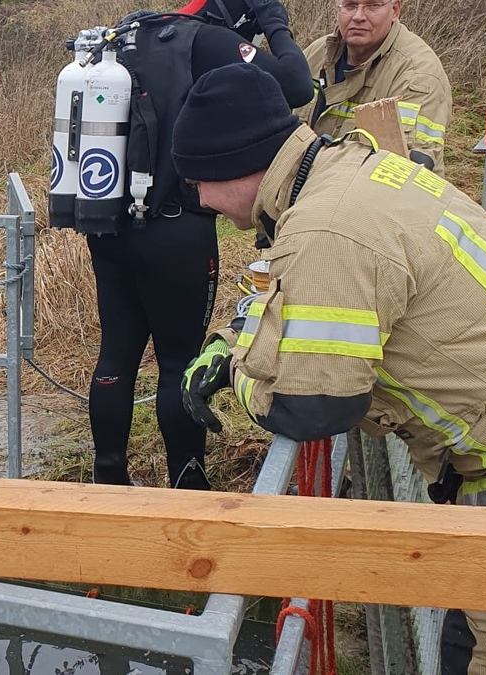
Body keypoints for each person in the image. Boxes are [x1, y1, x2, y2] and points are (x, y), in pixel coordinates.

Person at [174, 62, 486, 675]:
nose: (201, 202)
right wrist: (238, 338)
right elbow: (315, 303)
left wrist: (239, 374)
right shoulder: (345, 171)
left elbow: (314, 405)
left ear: (233, 166)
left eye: (197, 182)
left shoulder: (327, 225)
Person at [61, 0, 314, 489]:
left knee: (115, 353)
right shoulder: (209, 40)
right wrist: (275, 27)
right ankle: (187, 481)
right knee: (178, 360)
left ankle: (108, 474)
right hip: (178, 230)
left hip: (107, 219)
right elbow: (297, 85)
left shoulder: (130, 32)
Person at [302, 0, 451, 173]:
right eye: (350, 5)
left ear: (395, 10)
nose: (358, 17)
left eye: (372, 6)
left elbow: (402, 171)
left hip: (383, 194)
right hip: (310, 190)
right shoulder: (315, 54)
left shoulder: (418, 76)